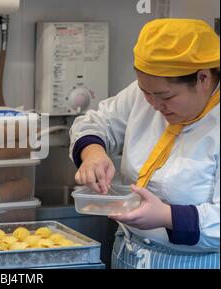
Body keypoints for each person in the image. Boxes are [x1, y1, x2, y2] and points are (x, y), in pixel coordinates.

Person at [70, 18, 219, 269]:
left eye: (165, 96)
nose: (153, 104)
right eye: (145, 92)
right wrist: (93, 153)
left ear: (203, 78)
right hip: (129, 252)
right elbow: (96, 122)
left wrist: (166, 217)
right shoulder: (147, 94)